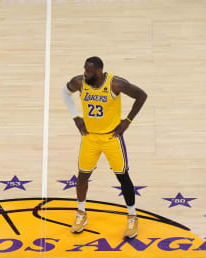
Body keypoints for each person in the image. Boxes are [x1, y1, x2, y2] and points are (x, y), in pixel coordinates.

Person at [61, 56, 147, 238]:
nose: (85, 73)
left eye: (89, 71)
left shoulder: (116, 84)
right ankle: (81, 213)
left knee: (123, 177)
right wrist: (75, 116)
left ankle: (132, 216)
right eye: (85, 69)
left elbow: (141, 96)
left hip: (111, 138)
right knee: (82, 175)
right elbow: (65, 92)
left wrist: (128, 121)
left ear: (99, 71)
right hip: (89, 138)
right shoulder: (79, 82)